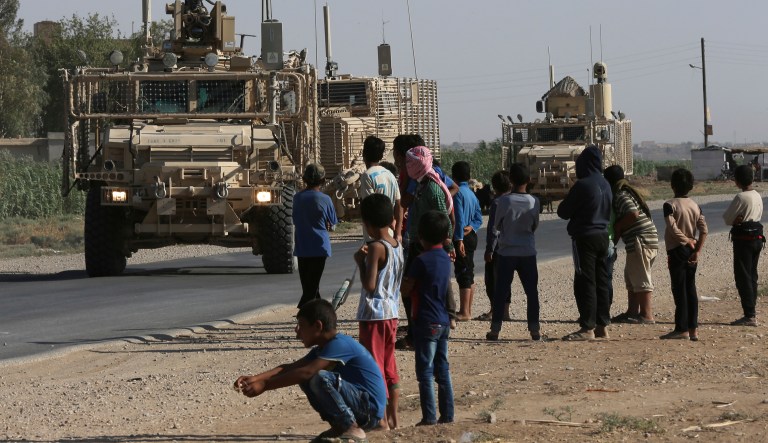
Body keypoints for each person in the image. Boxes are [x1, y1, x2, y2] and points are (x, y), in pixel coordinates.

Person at [234, 299, 386, 443]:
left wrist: (265, 386)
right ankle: (340, 426)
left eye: (301, 325)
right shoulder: (323, 348)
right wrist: (256, 379)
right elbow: (290, 368)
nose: (297, 332)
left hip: (369, 410)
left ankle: (350, 428)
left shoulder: (341, 344)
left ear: (318, 326)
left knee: (317, 376)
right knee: (304, 376)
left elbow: (306, 372)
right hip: (361, 406)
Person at [400, 210, 456, 426]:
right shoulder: (445, 259)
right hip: (442, 321)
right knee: (443, 369)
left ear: (421, 235)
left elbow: (406, 289)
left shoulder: (420, 261)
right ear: (445, 237)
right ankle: (448, 414)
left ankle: (429, 416)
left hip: (424, 320)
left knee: (424, 372)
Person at [354, 194, 404, 429]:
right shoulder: (396, 245)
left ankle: (380, 419)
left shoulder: (375, 247)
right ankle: (394, 417)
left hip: (373, 314)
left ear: (369, 224)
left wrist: (359, 262)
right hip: (391, 313)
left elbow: (370, 285)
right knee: (388, 366)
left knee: (373, 368)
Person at [557, 145, 612, 341]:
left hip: (585, 237)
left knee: (585, 281)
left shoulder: (583, 185)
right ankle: (602, 325)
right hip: (603, 236)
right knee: (602, 281)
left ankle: (587, 327)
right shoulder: (605, 184)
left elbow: (563, 211)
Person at [485, 163, 541, 341]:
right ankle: (534, 329)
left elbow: (496, 226)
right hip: (527, 251)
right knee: (531, 292)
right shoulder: (534, 201)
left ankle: (495, 330)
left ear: (511, 180)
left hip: (507, 252)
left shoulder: (503, 201)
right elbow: (534, 226)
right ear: (529, 180)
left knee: (500, 292)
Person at [603, 165, 659, 325]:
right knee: (631, 276)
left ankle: (647, 315)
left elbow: (632, 214)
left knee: (641, 277)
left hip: (640, 239)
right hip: (643, 239)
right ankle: (632, 312)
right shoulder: (627, 191)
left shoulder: (620, 194)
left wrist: (619, 227)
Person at [661, 168, 708, 341]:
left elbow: (672, 227)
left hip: (677, 250)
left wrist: (686, 240)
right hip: (692, 250)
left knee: (679, 289)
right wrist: (697, 250)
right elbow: (704, 230)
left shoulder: (669, 205)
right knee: (690, 288)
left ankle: (681, 329)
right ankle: (693, 328)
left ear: (672, 185)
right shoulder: (695, 205)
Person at [723, 164, 764, 327]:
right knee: (752, 275)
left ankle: (749, 315)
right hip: (757, 238)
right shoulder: (756, 195)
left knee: (743, 276)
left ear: (737, 181)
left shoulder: (741, 198)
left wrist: (735, 220)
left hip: (743, 240)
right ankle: (751, 310)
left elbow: (727, 218)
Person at [293, 163, 339, 308]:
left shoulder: (296, 198)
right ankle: (309, 312)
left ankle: (311, 313)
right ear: (323, 180)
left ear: (305, 180)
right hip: (320, 248)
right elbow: (333, 224)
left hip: (302, 247)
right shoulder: (325, 199)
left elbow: (294, 219)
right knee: (312, 286)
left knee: (308, 285)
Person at [476, 170, 512, 322]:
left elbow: (493, 230)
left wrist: (489, 249)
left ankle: (494, 310)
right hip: (510, 246)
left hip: (498, 249)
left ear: (495, 187)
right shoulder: (513, 200)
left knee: (492, 280)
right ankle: (505, 312)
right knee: (505, 280)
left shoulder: (497, 203)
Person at [451, 161, 483, 321]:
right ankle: (467, 310)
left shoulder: (457, 193)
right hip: (471, 235)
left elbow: (458, 218)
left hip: (461, 237)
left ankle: (464, 312)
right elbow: (479, 216)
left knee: (463, 272)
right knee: (469, 271)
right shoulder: (471, 193)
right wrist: (472, 226)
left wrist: (459, 239)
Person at [360, 136, 403, 243]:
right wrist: (398, 232)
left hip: (375, 236)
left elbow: (369, 208)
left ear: (363, 154)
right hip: (390, 235)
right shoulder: (390, 175)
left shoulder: (367, 176)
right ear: (381, 156)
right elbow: (399, 205)